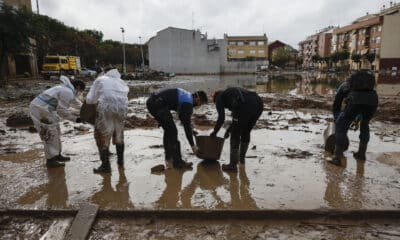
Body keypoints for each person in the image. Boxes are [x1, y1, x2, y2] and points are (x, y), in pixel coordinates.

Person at [29, 76, 85, 167]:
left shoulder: (67, 90)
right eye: (81, 90)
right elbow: (61, 111)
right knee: (50, 134)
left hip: (46, 110)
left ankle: (57, 154)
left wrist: (87, 109)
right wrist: (76, 119)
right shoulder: (67, 92)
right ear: (78, 87)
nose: (80, 93)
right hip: (40, 110)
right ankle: (50, 160)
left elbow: (76, 103)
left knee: (57, 131)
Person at [146, 88, 208, 169]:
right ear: (197, 99)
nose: (198, 105)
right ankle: (178, 162)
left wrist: (191, 129)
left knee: (168, 130)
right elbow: (186, 125)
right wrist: (193, 145)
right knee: (173, 132)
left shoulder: (187, 96)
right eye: (200, 103)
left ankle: (168, 157)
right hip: (158, 105)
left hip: (153, 102)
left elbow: (183, 119)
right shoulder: (188, 103)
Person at [330, 70, 378, 166]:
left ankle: (336, 157)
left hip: (356, 101)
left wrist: (337, 118)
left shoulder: (344, 86)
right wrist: (357, 118)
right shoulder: (367, 85)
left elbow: (337, 104)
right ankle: (361, 154)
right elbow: (363, 104)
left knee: (341, 125)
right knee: (365, 125)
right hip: (373, 100)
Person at [86, 67, 129, 173]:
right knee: (119, 135)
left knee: (102, 136)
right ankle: (120, 162)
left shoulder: (100, 79)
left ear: (105, 72)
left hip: (105, 108)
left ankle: (105, 166)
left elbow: (90, 100)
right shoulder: (122, 82)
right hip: (122, 109)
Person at [210, 87, 263, 172]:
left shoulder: (219, 98)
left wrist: (214, 132)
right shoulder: (231, 94)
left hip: (245, 104)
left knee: (235, 135)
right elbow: (236, 120)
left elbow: (221, 118)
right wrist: (229, 130)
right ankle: (241, 161)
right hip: (258, 102)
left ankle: (232, 166)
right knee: (246, 131)